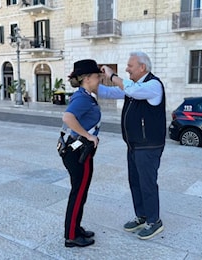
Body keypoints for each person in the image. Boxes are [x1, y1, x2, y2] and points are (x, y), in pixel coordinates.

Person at [100, 51, 166, 240]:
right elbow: (110, 92)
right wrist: (90, 82)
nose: (127, 69)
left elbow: (132, 91)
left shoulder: (153, 85)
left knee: (147, 184)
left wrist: (113, 75)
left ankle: (154, 221)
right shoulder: (133, 86)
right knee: (135, 182)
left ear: (142, 67)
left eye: (130, 66)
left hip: (149, 145)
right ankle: (142, 216)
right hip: (134, 145)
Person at [61, 59, 124, 248]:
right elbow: (67, 117)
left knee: (80, 192)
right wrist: (87, 135)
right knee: (78, 193)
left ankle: (75, 227)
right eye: (97, 76)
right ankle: (71, 235)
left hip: (77, 151)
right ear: (87, 78)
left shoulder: (85, 94)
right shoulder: (82, 97)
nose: (100, 79)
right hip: (78, 152)